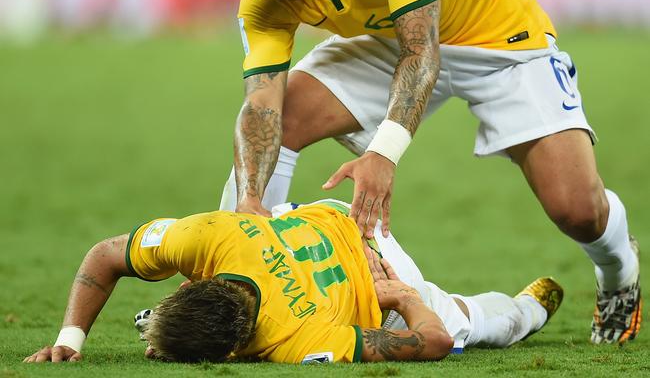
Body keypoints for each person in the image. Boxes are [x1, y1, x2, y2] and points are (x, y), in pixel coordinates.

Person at [172, 0, 641, 344]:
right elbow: (261, 105)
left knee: (577, 210)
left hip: (499, 41)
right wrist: (248, 205)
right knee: (285, 119)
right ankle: (236, 286)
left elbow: (423, 51)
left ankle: (618, 271)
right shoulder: (264, 1)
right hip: (387, 40)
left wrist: (383, 153)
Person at [24, 200, 563, 364]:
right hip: (321, 213)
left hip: (382, 268)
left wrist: (400, 294)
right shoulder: (211, 236)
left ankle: (525, 311)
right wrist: (69, 341)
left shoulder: (298, 341)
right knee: (245, 204)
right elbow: (104, 255)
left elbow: (433, 342)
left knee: (469, 326)